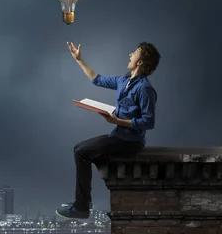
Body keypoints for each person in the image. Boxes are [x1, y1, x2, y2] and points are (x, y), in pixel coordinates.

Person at [55, 41, 161, 219]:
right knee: (79, 149)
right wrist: (79, 59)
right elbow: (97, 79)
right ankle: (86, 201)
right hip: (117, 136)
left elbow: (148, 122)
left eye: (135, 53)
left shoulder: (145, 89)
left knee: (81, 152)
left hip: (130, 142)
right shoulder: (123, 80)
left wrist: (118, 120)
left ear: (141, 62)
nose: (130, 54)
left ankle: (81, 207)